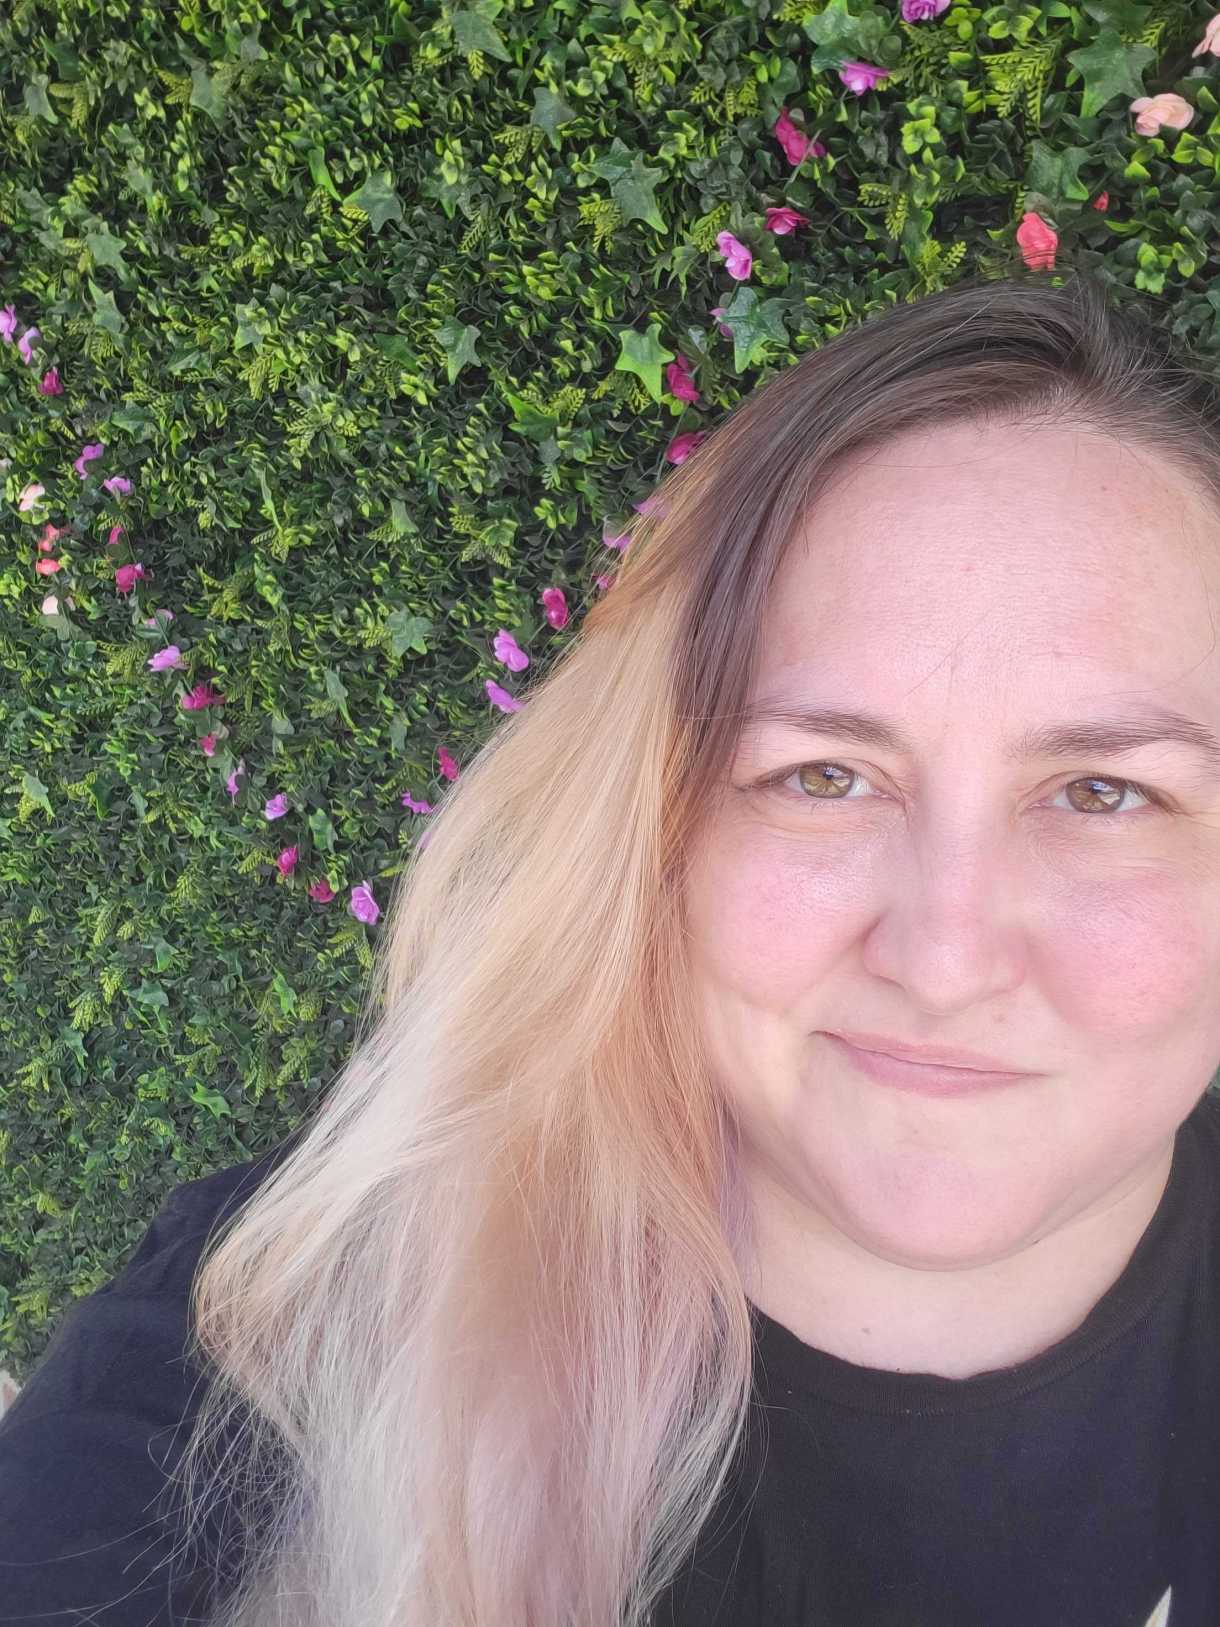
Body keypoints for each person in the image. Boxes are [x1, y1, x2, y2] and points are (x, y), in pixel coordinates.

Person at [2, 270, 1219, 1627]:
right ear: (653, 829)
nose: (944, 957)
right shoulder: (282, 1341)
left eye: (1107, 795)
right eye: (820, 775)